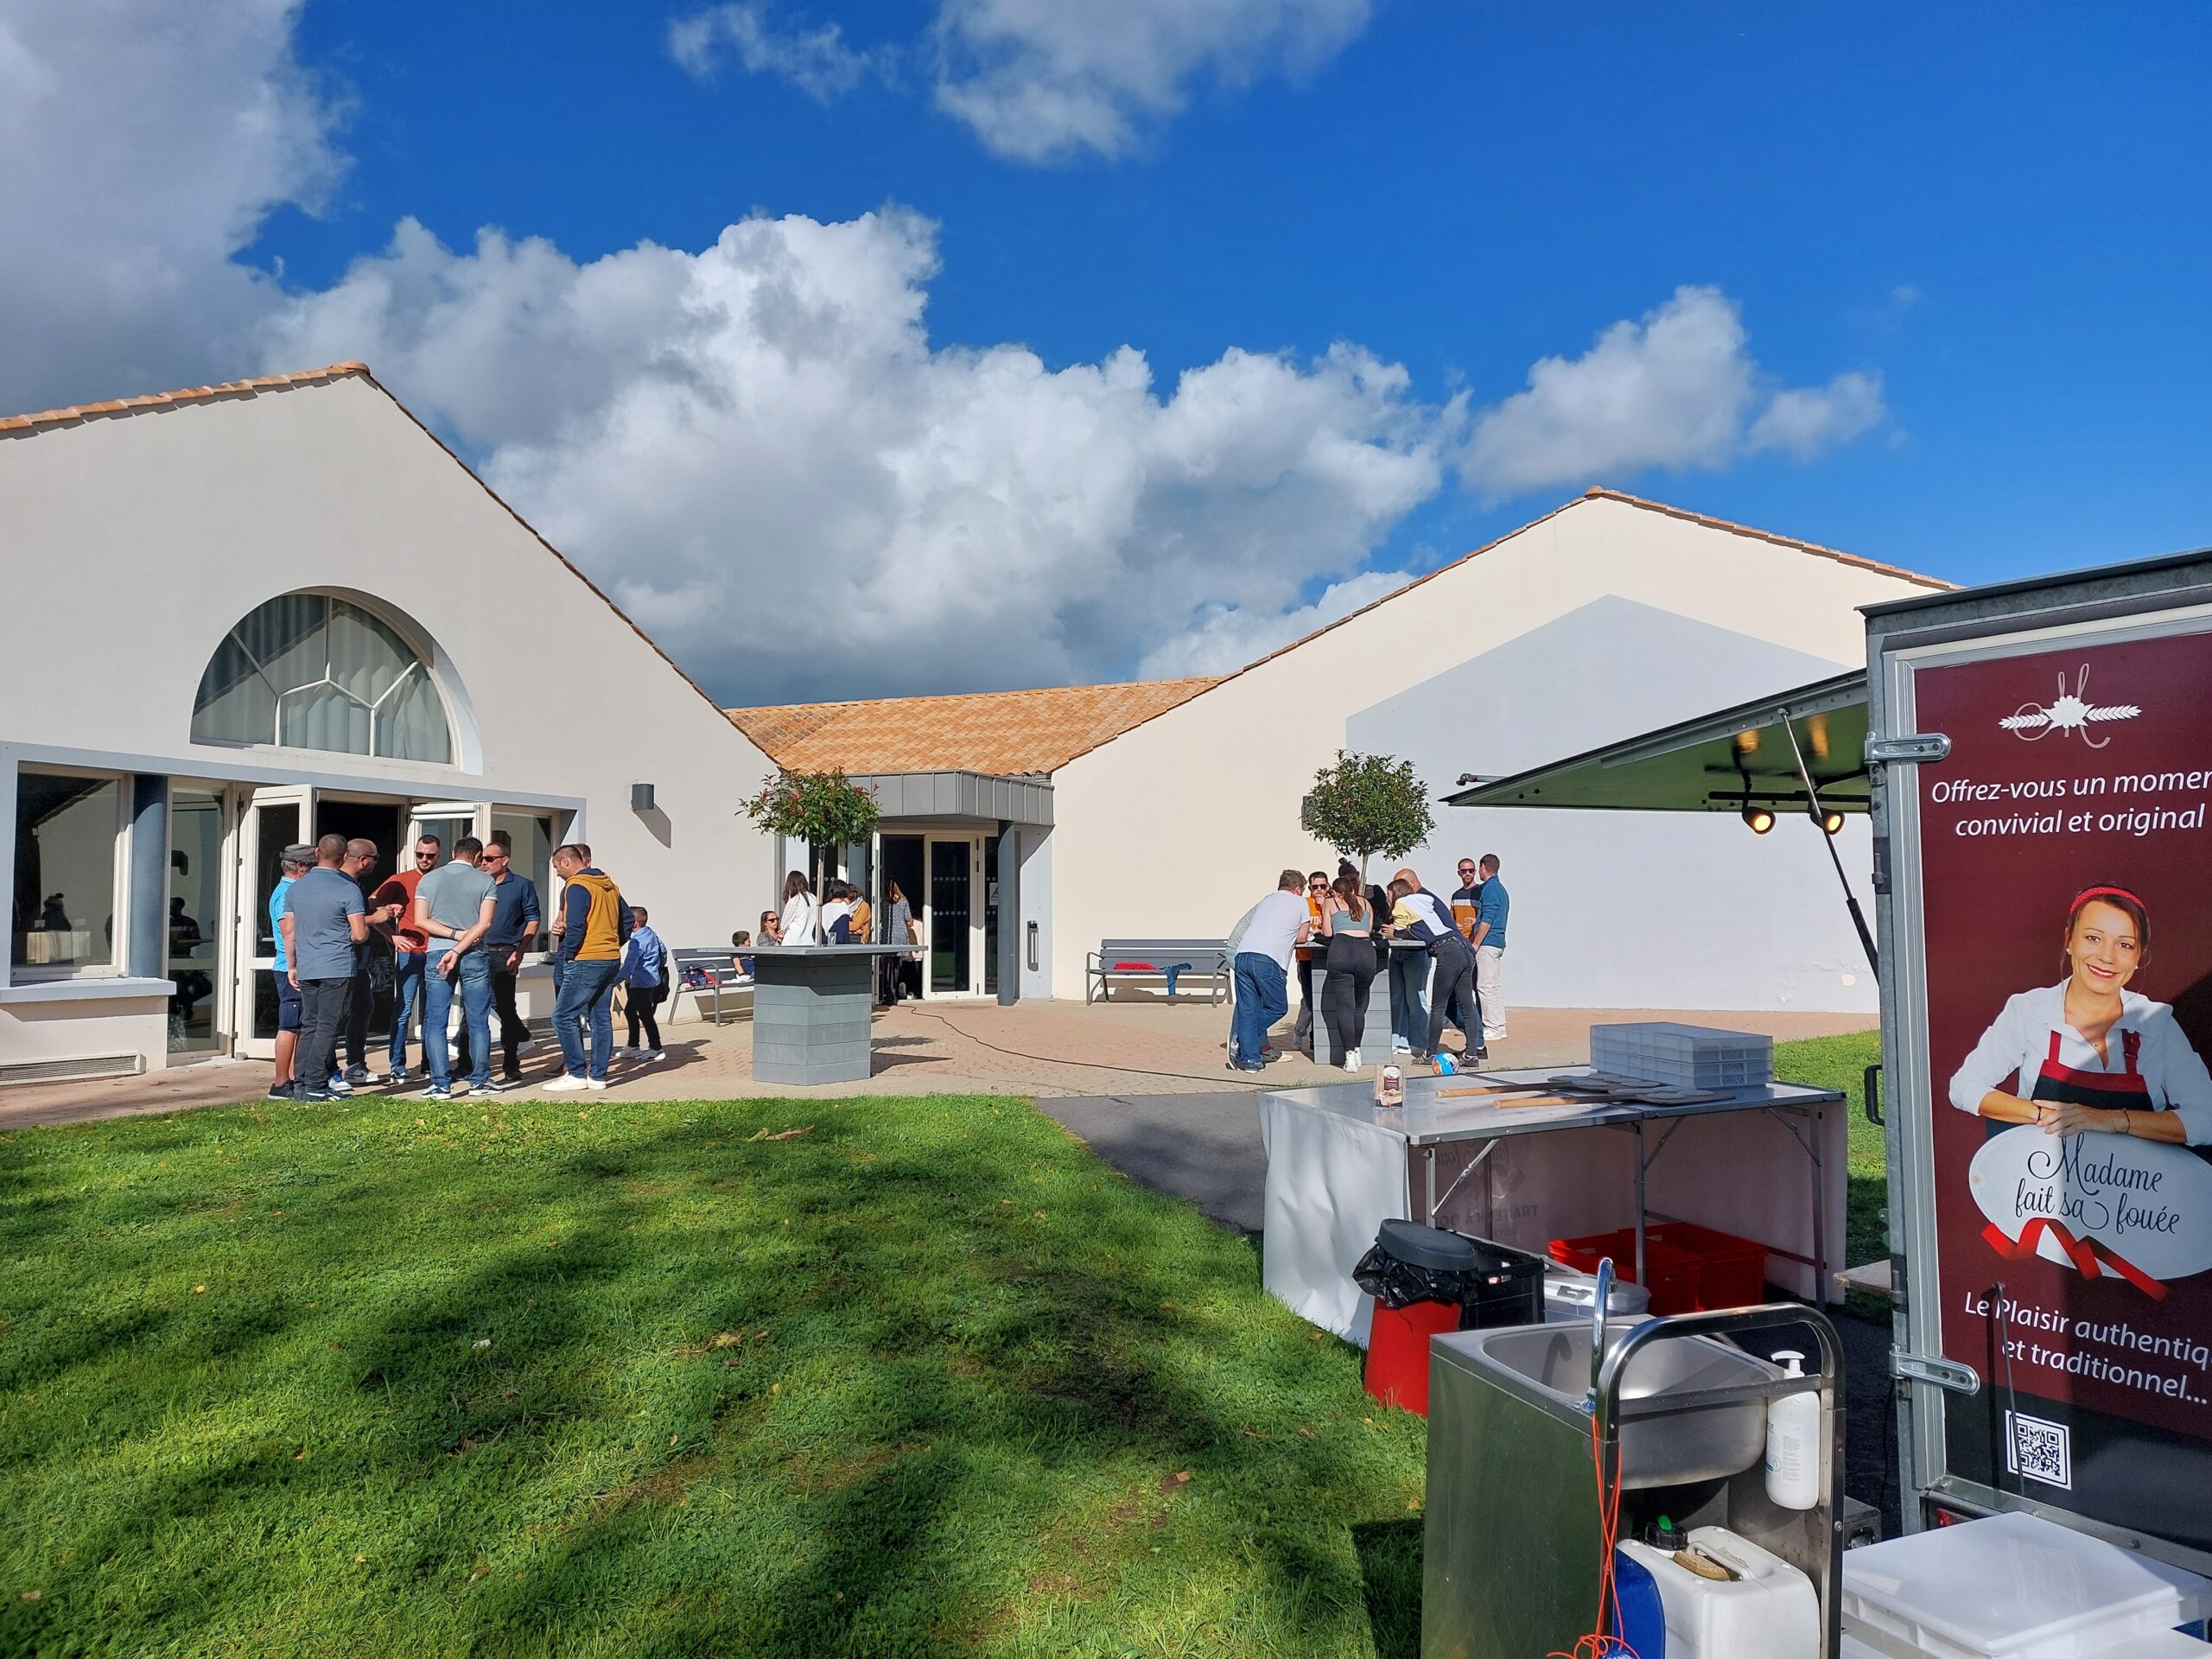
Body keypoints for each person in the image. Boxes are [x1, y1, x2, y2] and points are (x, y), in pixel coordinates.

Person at [1948, 884, 2212, 1145]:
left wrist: (2110, 1120)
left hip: (2141, 1174)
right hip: (2046, 1171)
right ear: (2069, 940)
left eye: (2124, 944)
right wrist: (2045, 1115)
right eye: (2093, 938)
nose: (2107, 956)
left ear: (2139, 956)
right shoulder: (2029, 1010)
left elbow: (2207, 1119)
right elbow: (1965, 1087)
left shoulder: (2157, 1023)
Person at [414, 835, 498, 1100]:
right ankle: (479, 1081)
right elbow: (485, 924)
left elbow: (420, 920)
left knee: (435, 1021)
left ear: (453, 853)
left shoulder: (428, 880)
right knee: (478, 1020)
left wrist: (453, 936)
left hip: (438, 952)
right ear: (477, 856)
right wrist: (463, 941)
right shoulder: (485, 881)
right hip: (473, 953)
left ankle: (440, 1084)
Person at [283, 835, 366, 1103]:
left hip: (307, 965)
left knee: (310, 1024)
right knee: (327, 1027)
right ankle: (317, 1084)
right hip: (337, 965)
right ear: (344, 858)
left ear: (317, 852)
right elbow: (359, 934)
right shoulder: (348, 889)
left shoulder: (296, 888)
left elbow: (289, 932)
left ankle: (301, 1083)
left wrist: (292, 966)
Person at [546, 842, 632, 1092]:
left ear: (566, 861)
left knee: (562, 1016)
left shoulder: (577, 885)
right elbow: (627, 920)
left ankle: (575, 1073)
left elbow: (576, 925)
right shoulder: (609, 885)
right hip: (610, 958)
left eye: (556, 867)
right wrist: (612, 943)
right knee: (600, 1017)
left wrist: (570, 955)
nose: (557, 873)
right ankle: (598, 1076)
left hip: (586, 958)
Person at [1390, 867, 1484, 1066]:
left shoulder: (1400, 904)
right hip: (1463, 949)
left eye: (1389, 893)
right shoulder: (1426, 898)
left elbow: (1397, 933)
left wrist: (1390, 932)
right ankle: (1472, 1055)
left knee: (1438, 1007)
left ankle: (1430, 1054)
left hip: (1446, 953)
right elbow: (1428, 926)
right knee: (1468, 1007)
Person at [333, 839, 402, 1091]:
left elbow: (360, 912)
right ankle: (330, 1071)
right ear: (363, 860)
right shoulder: (341, 885)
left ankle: (355, 1065)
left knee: (362, 1010)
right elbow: (342, 922)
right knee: (336, 1016)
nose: (375, 863)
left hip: (359, 962)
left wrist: (379, 911)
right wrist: (375, 917)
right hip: (342, 960)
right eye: (375, 858)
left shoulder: (354, 885)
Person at [1226, 869, 1312, 1072]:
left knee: (1248, 1009)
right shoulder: (1301, 903)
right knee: (1278, 1007)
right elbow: (1302, 937)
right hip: (1268, 959)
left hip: (1243, 955)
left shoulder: (1266, 900)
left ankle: (1251, 1062)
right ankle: (1242, 1037)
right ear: (1298, 888)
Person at [373, 834, 442, 1084]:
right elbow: (369, 908)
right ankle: (397, 1065)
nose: (424, 859)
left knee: (432, 1012)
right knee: (403, 1009)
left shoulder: (442, 879)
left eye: (430, 855)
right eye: (419, 854)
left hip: (437, 952)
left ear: (438, 856)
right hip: (410, 953)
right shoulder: (399, 881)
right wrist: (392, 936)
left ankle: (429, 1062)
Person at [482, 836, 542, 1084]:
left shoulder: (521, 885)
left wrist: (521, 950)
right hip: (476, 951)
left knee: (506, 1007)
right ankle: (467, 1063)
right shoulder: (479, 883)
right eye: (481, 859)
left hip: (504, 952)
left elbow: (533, 919)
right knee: (473, 1007)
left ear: (504, 860)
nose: (483, 863)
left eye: (489, 858)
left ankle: (511, 1064)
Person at [1319, 871, 1378, 1071]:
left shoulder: (1330, 903)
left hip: (1341, 950)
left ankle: (1349, 1056)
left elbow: (1328, 932)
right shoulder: (1367, 903)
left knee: (1345, 1007)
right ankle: (1358, 1051)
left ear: (1336, 893)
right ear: (1353, 889)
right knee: (1358, 1007)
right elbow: (1369, 929)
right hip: (1366, 952)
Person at [267, 843, 312, 1099]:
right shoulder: (286, 893)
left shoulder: (293, 891)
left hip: (298, 966)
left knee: (300, 1026)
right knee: (290, 1025)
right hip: (288, 968)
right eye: (313, 867)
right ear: (301, 867)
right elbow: (288, 932)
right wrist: (293, 966)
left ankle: (294, 1079)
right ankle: (281, 1082)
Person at [1469, 853, 1509, 1048]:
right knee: (1492, 986)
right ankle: (1498, 1025)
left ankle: (1493, 1027)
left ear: (1483, 867)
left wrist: (1476, 942)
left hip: (1488, 943)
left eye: (1479, 868)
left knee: (1485, 986)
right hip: (1496, 942)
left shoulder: (1491, 889)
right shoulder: (1498, 888)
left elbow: (1488, 918)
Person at [620, 903, 670, 1059]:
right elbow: (663, 951)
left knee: (645, 1015)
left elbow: (629, 965)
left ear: (633, 923)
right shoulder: (651, 933)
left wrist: (613, 981)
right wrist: (656, 966)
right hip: (652, 980)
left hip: (640, 982)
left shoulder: (637, 941)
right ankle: (633, 1046)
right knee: (630, 1011)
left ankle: (656, 1048)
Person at [1292, 870, 1329, 1058]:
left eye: (1323, 886)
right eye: (1315, 887)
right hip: (1306, 958)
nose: (1319, 890)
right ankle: (1299, 1032)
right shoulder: (1304, 904)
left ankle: (1316, 1038)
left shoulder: (1331, 904)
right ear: (1310, 888)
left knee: (1323, 998)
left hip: (1326, 957)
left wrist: (1324, 907)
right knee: (1309, 999)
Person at [881, 880, 920, 1001]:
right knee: (897, 965)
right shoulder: (903, 901)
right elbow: (908, 919)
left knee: (887, 963)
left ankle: (887, 990)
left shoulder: (883, 902)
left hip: (887, 935)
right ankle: (894, 990)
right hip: (900, 936)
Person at [778, 871, 822, 945]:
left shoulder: (795, 901)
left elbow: (783, 925)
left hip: (793, 942)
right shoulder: (814, 899)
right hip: (811, 941)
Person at [821, 880, 856, 944]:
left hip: (824, 943)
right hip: (840, 944)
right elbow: (844, 932)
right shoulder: (844, 908)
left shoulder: (823, 908)